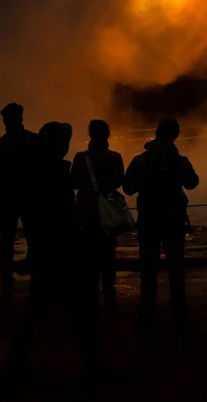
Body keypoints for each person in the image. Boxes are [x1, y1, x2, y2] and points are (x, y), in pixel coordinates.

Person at [6, 122, 101, 379]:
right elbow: (62, 218)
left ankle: (14, 366)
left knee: (38, 313)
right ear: (57, 145)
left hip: (45, 252)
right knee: (77, 313)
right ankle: (93, 366)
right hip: (59, 253)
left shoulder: (34, 171)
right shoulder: (53, 174)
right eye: (63, 140)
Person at [123, 119, 199, 329]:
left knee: (148, 267)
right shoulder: (180, 161)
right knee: (176, 266)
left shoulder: (140, 160)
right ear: (175, 135)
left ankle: (147, 311)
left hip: (149, 218)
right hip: (174, 219)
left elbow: (128, 188)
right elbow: (193, 183)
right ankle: (179, 311)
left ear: (156, 134)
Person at [72, 120, 125, 313]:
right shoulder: (115, 157)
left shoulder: (79, 158)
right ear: (108, 134)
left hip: (86, 211)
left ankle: (91, 297)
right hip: (108, 212)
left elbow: (75, 182)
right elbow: (120, 181)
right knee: (108, 256)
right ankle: (109, 295)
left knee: (87, 258)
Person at [0, 103, 38, 295]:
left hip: (7, 200)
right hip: (30, 198)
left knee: (6, 240)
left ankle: (7, 282)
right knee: (34, 238)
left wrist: (0, 193)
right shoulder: (33, 140)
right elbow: (42, 169)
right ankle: (37, 277)